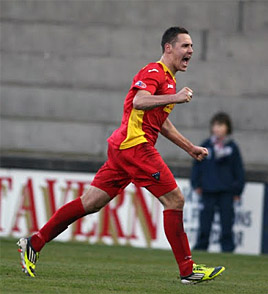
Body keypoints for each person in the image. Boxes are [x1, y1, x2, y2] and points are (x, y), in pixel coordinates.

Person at [17, 27, 225, 284]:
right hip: (134, 146)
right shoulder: (154, 72)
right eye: (185, 46)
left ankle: (34, 242)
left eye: (192, 46)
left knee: (90, 202)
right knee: (175, 200)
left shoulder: (170, 80)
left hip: (124, 148)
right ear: (168, 48)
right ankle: (188, 270)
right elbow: (139, 101)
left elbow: (161, 122)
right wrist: (177, 98)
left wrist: (189, 147)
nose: (191, 51)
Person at [191, 112, 245, 252]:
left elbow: (238, 170)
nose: (218, 129)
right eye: (215, 125)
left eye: (221, 125)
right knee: (205, 222)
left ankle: (227, 248)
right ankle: (201, 247)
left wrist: (237, 189)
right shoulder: (206, 145)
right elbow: (197, 166)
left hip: (226, 190)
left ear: (227, 128)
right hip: (208, 189)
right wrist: (196, 183)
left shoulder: (232, 148)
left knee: (227, 222)